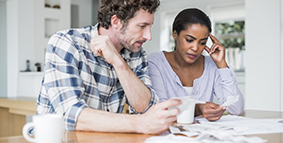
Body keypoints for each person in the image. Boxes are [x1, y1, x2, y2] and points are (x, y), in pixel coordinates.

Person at [36, 0, 181, 134]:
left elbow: (146, 108)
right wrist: (139, 124)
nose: (148, 36)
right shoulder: (67, 42)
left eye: (150, 26)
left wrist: (118, 62)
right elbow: (71, 115)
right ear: (116, 22)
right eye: (142, 26)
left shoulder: (136, 54)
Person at [148, 8, 244, 121]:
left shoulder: (211, 65)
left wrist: (221, 64)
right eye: (189, 40)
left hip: (202, 136)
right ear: (175, 34)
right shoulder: (155, 62)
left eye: (202, 42)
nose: (196, 48)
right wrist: (198, 108)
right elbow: (159, 110)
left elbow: (236, 109)